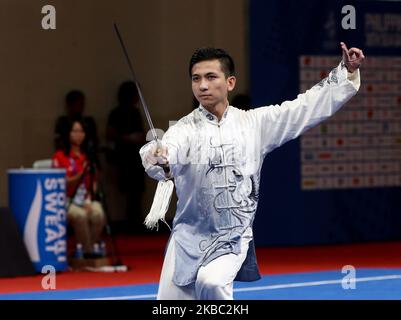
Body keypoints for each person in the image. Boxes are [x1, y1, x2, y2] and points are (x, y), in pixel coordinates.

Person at [140, 43, 364, 300]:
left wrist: (345, 71)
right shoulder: (183, 130)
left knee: (211, 283)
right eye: (196, 78)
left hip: (231, 236)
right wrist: (159, 158)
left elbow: (303, 108)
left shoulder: (254, 124)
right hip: (187, 236)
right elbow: (166, 157)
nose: (202, 85)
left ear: (230, 82)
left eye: (211, 77)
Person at [52, 118, 106, 257]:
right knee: (80, 216)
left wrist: (89, 199)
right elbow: (62, 183)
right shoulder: (60, 156)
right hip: (66, 200)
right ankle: (88, 253)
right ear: (68, 133)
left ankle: (85, 248)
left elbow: (93, 182)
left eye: (81, 131)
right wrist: (80, 175)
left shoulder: (87, 156)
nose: (79, 134)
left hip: (84, 199)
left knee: (98, 213)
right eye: (75, 131)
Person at [106, 81, 146, 233]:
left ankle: (136, 222)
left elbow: (142, 134)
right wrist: (127, 138)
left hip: (136, 157)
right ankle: (131, 224)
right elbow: (109, 134)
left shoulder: (135, 112)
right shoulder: (116, 113)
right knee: (129, 193)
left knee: (137, 193)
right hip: (124, 157)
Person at [55, 90, 99, 156]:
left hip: (87, 156)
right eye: (77, 105)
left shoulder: (88, 122)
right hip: (67, 157)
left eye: (82, 105)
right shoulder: (62, 122)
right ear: (69, 105)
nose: (81, 108)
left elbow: (94, 142)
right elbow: (59, 143)